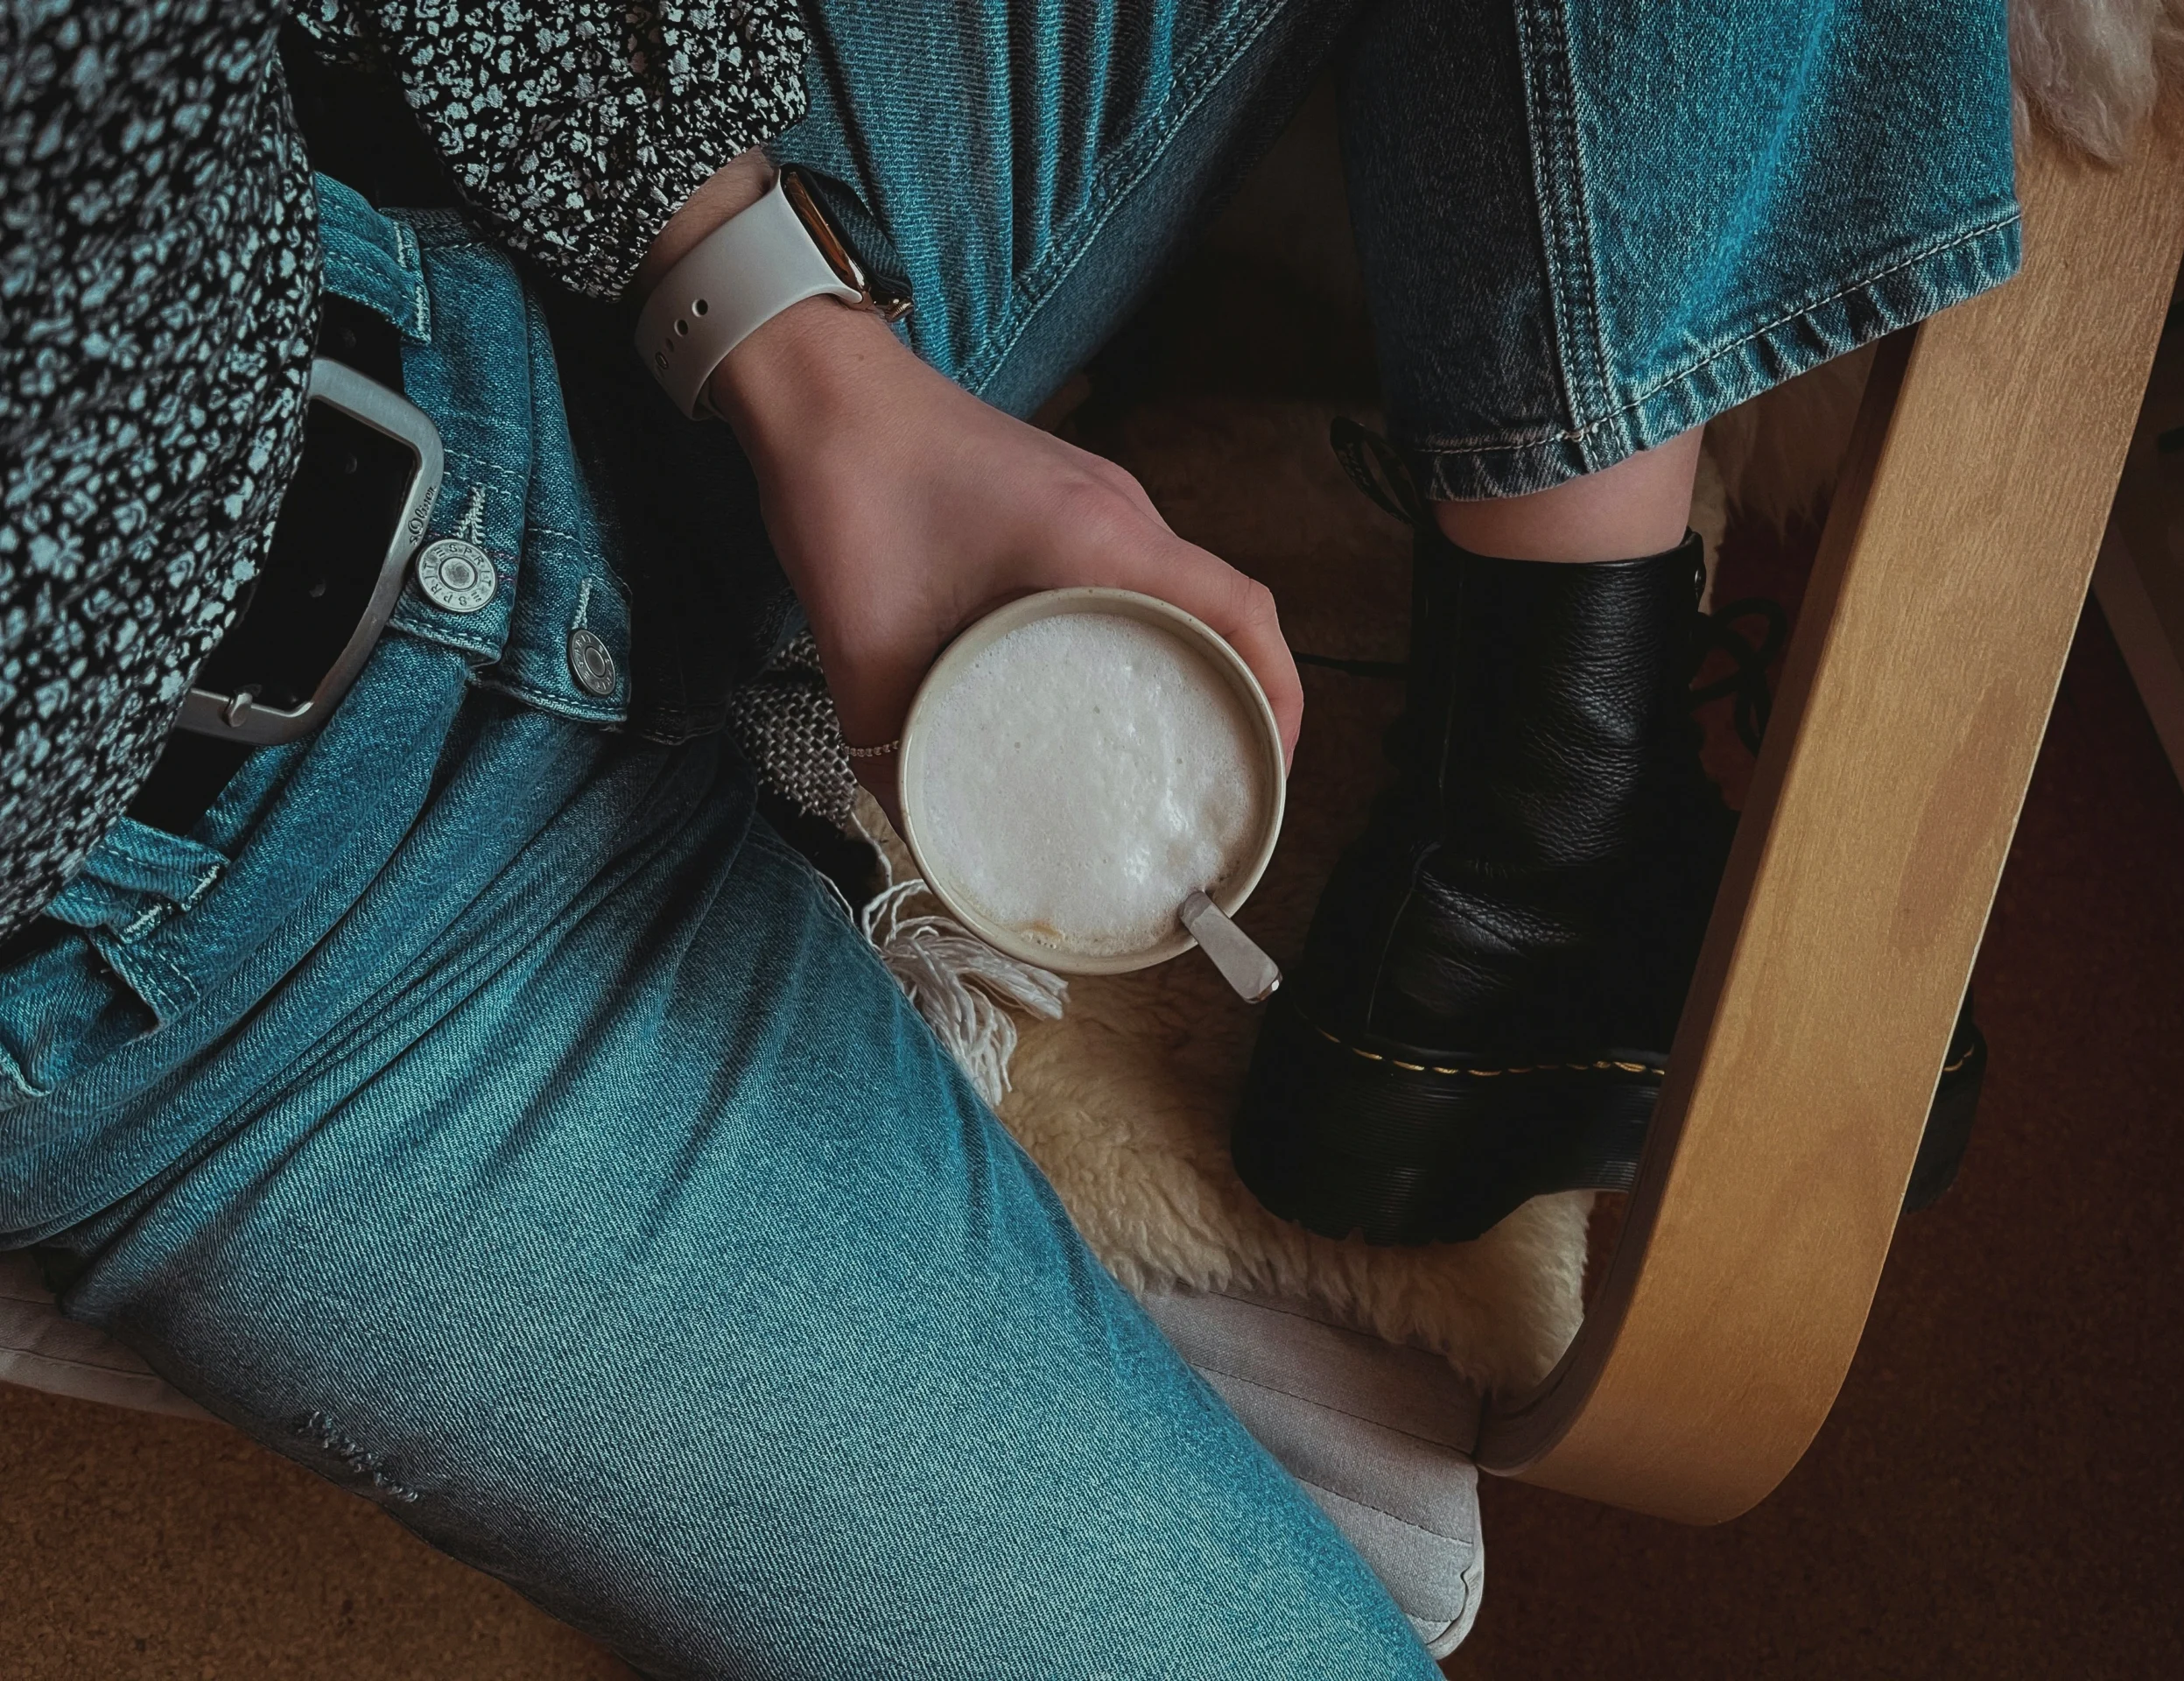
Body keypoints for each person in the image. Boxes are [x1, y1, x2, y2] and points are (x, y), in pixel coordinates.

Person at [0, 2, 2016, 1674]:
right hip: (249, 1002)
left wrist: (787, 338)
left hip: (499, 264)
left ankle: (1544, 830)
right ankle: (1521, 882)